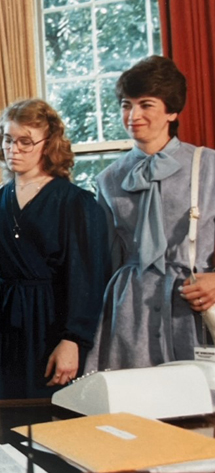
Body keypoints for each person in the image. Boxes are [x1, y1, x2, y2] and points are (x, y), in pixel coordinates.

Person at [87, 56, 215, 370]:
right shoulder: (109, 180)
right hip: (131, 313)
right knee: (134, 407)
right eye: (125, 105)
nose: (133, 115)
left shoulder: (208, 166)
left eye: (146, 105)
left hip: (195, 304)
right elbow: (103, 260)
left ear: (171, 110)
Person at [0, 99, 108, 399]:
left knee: (48, 420)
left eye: (25, 142)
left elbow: (88, 280)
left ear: (47, 143)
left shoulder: (75, 202)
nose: (14, 149)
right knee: (0, 419)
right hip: (1, 324)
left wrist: (73, 340)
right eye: (8, 139)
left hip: (50, 323)